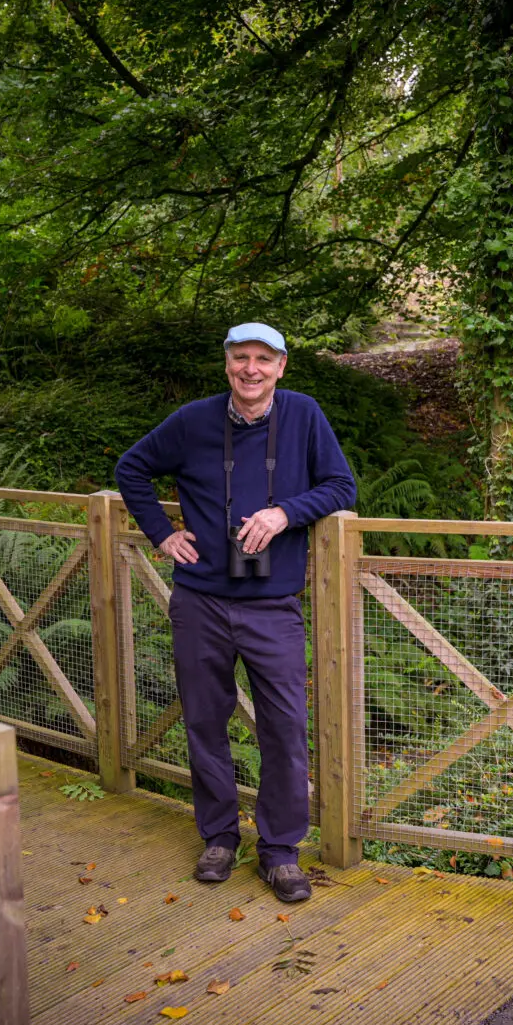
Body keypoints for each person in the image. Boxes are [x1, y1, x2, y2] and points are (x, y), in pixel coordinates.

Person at [115, 322, 356, 902]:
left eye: (263, 359)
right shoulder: (193, 420)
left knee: (285, 728)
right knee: (204, 722)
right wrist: (161, 534)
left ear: (281, 367)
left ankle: (279, 850)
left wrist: (285, 513)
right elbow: (131, 469)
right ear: (227, 363)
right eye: (241, 357)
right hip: (199, 600)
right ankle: (220, 837)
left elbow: (340, 487)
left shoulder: (303, 415)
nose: (251, 369)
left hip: (272, 606)